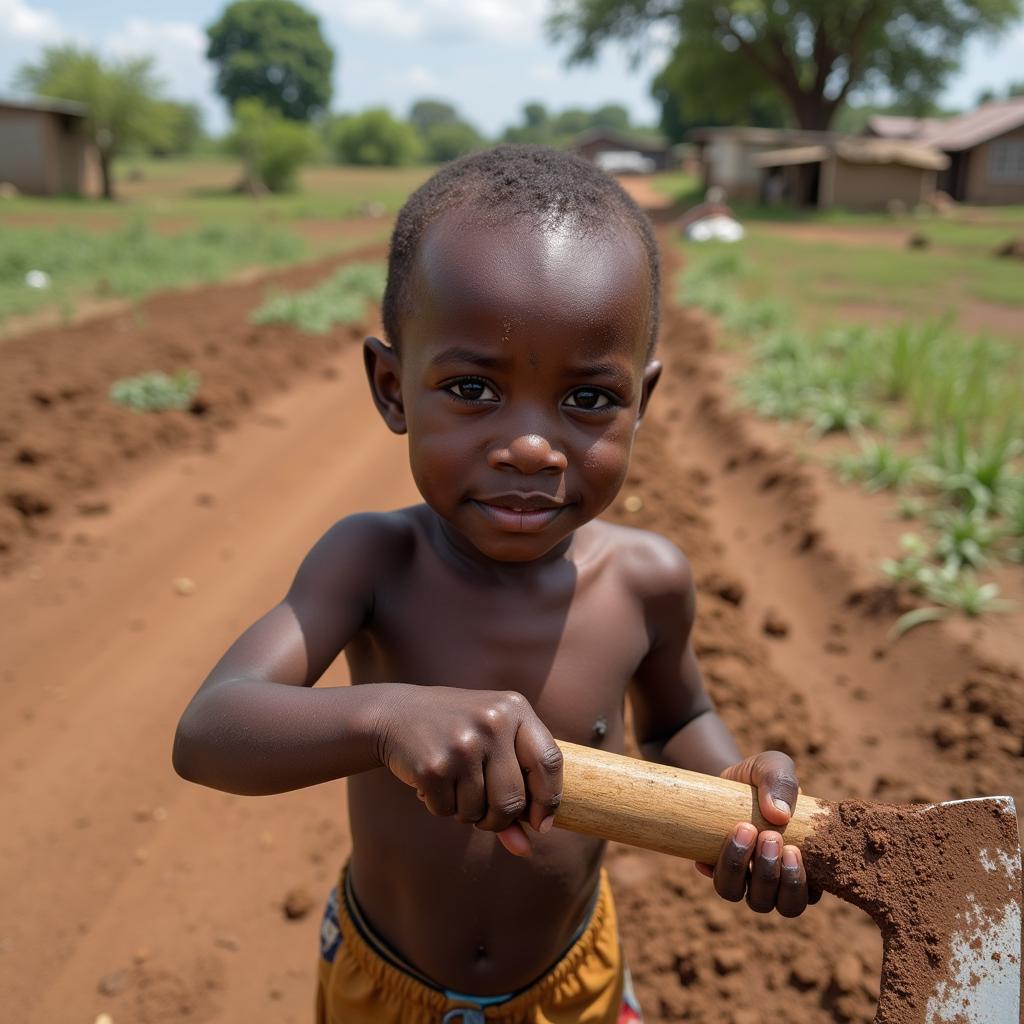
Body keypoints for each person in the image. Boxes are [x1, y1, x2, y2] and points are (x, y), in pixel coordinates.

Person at [173, 145, 815, 1024]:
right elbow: (211, 729)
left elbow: (679, 721)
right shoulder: (371, 562)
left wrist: (738, 803)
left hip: (570, 986)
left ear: (643, 402)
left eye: (588, 401)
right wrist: (389, 716)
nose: (530, 447)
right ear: (393, 388)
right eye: (472, 387)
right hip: (384, 986)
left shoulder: (646, 582)